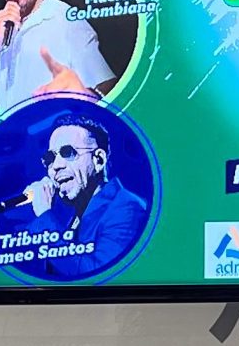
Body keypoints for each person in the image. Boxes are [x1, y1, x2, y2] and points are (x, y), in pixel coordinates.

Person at [14, 112, 147, 281]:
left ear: (99, 160)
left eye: (68, 153)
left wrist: (44, 215)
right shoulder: (72, 216)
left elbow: (97, 275)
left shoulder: (127, 207)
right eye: (50, 158)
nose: (56, 166)